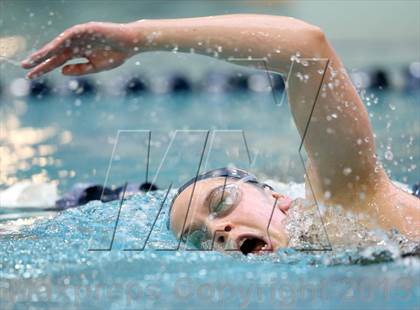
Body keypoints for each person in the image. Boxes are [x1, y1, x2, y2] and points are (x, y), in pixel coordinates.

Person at [21, 14, 419, 254]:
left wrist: (138, 38)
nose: (217, 231)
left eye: (222, 202)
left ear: (280, 201)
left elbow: (305, 49)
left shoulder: (347, 207)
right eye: (198, 239)